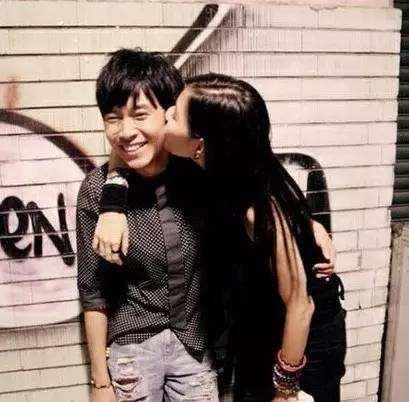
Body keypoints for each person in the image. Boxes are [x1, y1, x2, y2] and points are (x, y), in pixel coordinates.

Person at [79, 49, 337, 402]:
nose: (126, 132)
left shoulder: (203, 173)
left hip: (245, 339)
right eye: (112, 118)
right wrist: (112, 199)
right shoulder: (104, 186)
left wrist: (303, 226)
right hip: (145, 345)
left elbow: (255, 174)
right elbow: (93, 291)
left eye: (159, 116)